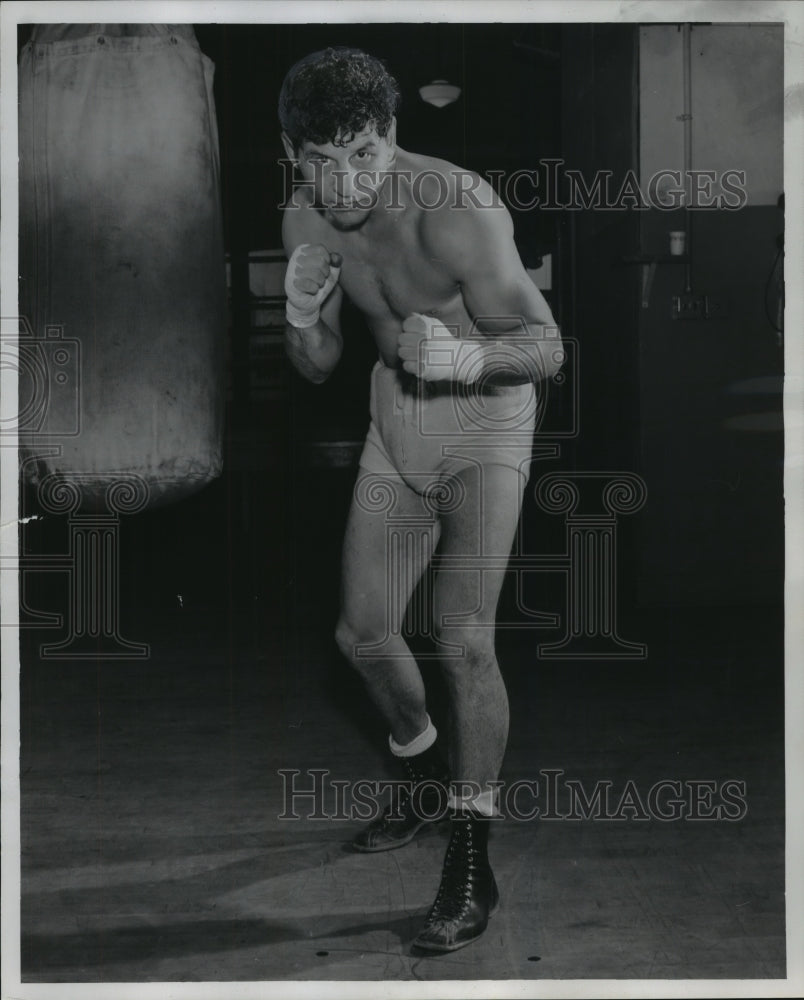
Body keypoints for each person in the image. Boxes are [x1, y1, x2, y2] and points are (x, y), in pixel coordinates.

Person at [278, 47, 561, 953]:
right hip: (396, 421)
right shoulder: (304, 223)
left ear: (391, 136)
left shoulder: (458, 209)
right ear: (292, 155)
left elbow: (549, 347)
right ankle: (429, 770)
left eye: (364, 152)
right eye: (323, 160)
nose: (347, 180)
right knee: (361, 636)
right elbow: (317, 365)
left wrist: (472, 355)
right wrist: (296, 319)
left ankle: (472, 856)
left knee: (464, 639)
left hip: (483, 422)